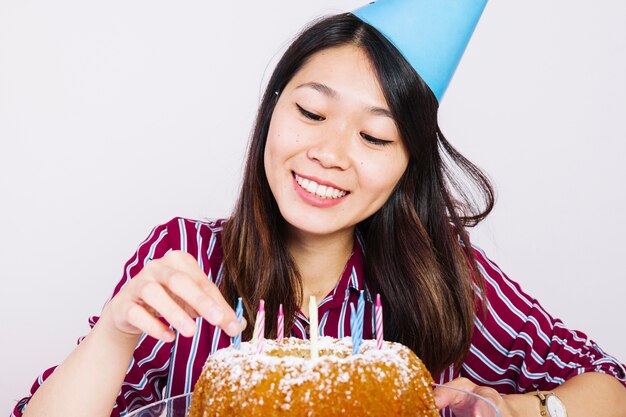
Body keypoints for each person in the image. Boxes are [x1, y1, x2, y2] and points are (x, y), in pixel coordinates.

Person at [13, 3, 626, 417]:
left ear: (406, 162)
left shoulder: (443, 274)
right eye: (311, 112)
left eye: (375, 137)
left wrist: (513, 408)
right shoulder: (188, 262)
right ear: (272, 111)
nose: (330, 154)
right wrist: (114, 337)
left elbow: (611, 387)